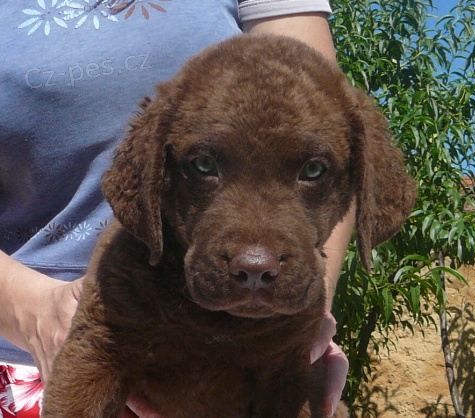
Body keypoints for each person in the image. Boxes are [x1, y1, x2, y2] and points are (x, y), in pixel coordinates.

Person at [0, 1, 352, 416]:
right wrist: (37, 317)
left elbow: (331, 129)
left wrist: (291, 325)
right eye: (204, 166)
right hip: (31, 358)